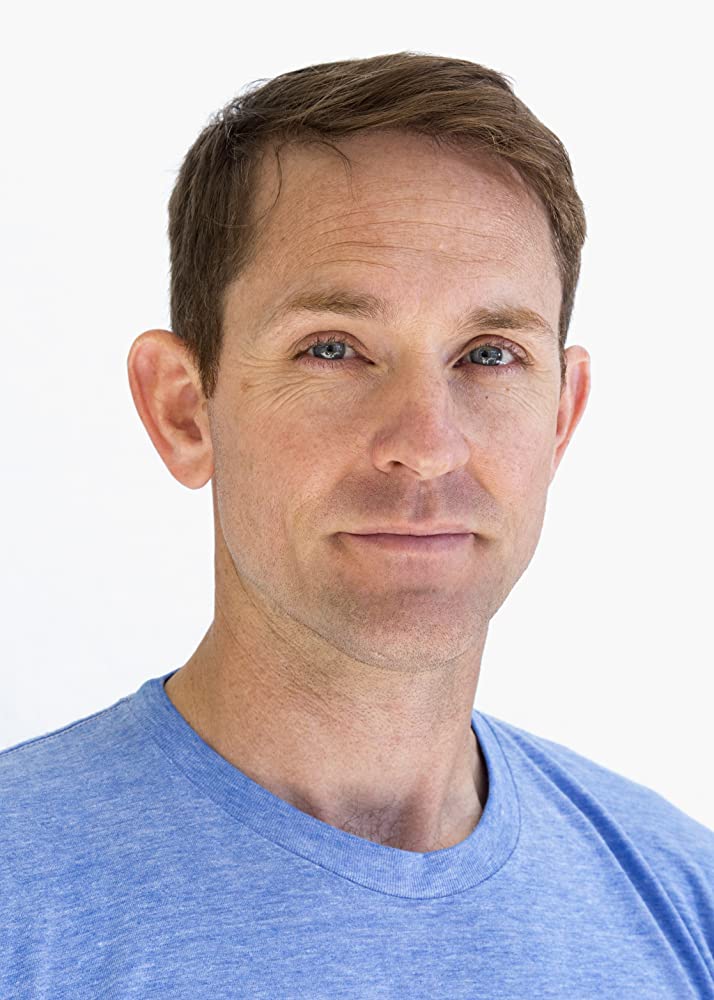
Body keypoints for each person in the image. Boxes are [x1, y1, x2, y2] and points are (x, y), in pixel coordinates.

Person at [1, 51, 712, 999]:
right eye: (333, 348)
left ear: (560, 417)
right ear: (183, 410)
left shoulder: (685, 902)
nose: (426, 445)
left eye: (489, 355)